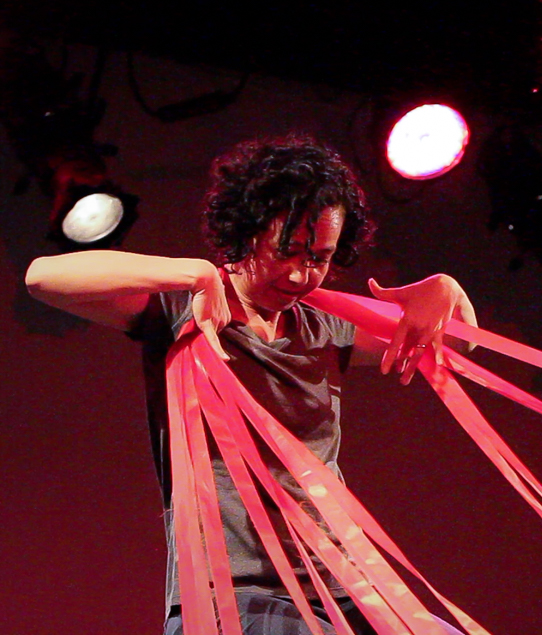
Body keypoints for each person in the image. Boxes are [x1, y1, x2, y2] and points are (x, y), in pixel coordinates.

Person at [24, 135, 475, 635]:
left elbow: (454, 345)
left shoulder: (324, 328)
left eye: (320, 257)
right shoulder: (182, 311)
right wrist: (191, 273)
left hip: (343, 586)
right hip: (233, 595)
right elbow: (43, 278)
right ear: (247, 230)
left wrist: (444, 292)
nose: (303, 273)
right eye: (289, 251)